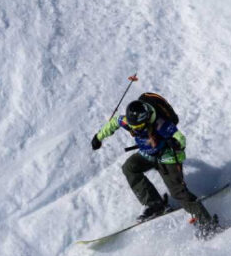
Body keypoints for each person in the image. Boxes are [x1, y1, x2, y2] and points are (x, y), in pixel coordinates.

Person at [91, 96, 218, 237]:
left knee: (178, 192)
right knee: (129, 167)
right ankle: (155, 204)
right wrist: (98, 137)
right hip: (149, 153)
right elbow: (114, 122)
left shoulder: (160, 124)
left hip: (167, 157)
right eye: (132, 127)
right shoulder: (130, 122)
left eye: (137, 127)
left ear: (145, 121)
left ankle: (208, 224)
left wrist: (176, 143)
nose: (134, 130)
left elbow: (180, 138)